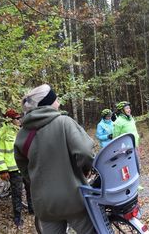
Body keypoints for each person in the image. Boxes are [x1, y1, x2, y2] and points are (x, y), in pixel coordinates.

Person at [14, 84, 95, 234]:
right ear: (48, 103)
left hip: (45, 205)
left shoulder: (22, 134)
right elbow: (85, 153)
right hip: (73, 200)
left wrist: (37, 181)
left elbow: (24, 168)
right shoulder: (64, 122)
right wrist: (85, 168)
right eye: (56, 99)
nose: (58, 103)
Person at [0, 108, 33, 227]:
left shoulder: (25, 130)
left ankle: (32, 210)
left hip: (27, 167)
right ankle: (17, 218)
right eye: (17, 118)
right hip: (13, 169)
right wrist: (3, 170)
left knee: (31, 189)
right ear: (10, 120)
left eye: (21, 117)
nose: (20, 120)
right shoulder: (1, 133)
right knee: (17, 193)